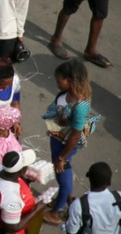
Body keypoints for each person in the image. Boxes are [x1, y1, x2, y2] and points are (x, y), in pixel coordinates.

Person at [43, 59, 96, 225]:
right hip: (58, 138)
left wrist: (62, 158)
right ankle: (62, 199)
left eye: (60, 80)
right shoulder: (68, 93)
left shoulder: (80, 106)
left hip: (65, 146)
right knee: (59, 173)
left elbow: (74, 135)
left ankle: (56, 212)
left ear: (71, 80)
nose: (57, 83)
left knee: (63, 177)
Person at [0, 150, 43, 233]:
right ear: (21, 171)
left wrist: (25, 180)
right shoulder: (11, 198)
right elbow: (12, 228)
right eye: (26, 165)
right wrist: (37, 209)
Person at [66, 162, 121, 234]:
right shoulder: (118, 197)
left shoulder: (78, 206)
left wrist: (71, 209)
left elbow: (71, 231)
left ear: (90, 180)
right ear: (109, 182)